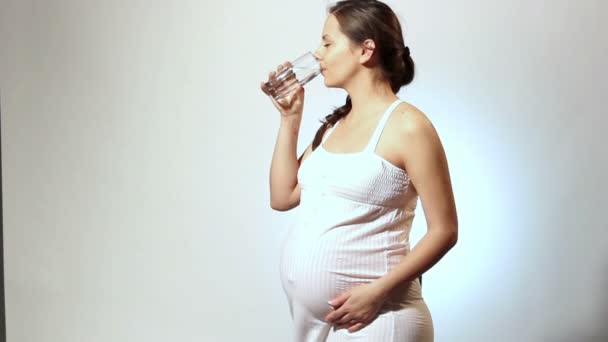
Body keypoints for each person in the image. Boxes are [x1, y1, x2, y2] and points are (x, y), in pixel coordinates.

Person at [261, 1, 458, 341]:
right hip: (318, 324)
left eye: (327, 42)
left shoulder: (409, 126)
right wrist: (290, 119)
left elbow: (445, 230)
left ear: (366, 50)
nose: (318, 54)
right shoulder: (335, 125)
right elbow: (282, 197)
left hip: (380, 318)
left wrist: (377, 292)